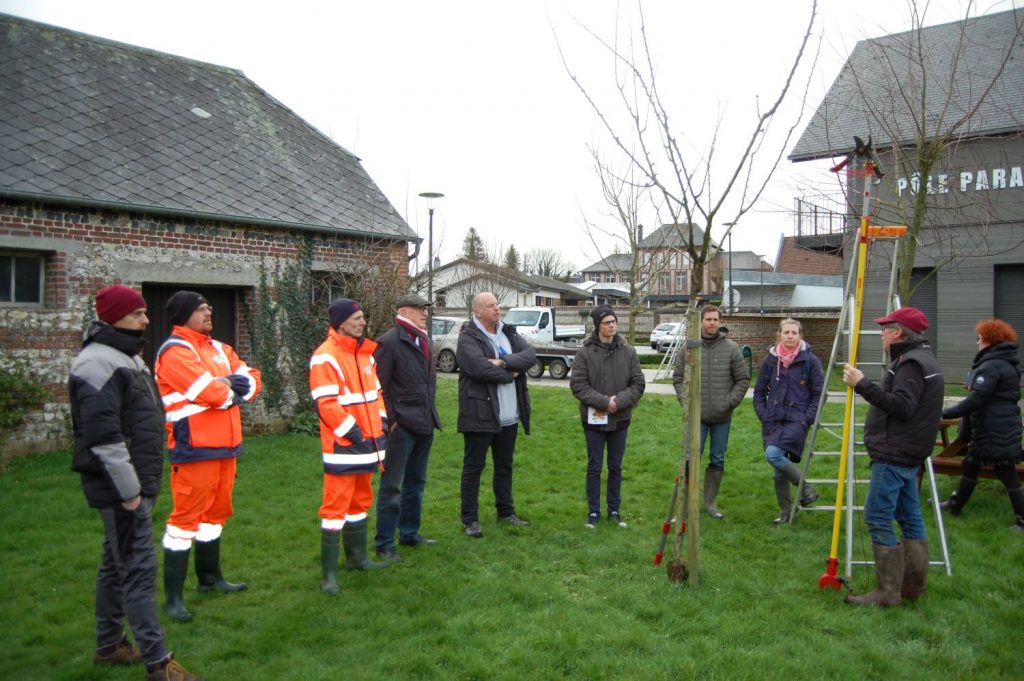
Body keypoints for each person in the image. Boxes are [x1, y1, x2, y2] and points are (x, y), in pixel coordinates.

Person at [69, 285, 201, 681]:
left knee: (115, 565)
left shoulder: (126, 357)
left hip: (134, 485)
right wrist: (130, 493)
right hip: (120, 489)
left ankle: (109, 646)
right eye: (138, 314)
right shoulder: (98, 364)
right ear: (115, 317)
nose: (146, 320)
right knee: (139, 570)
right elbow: (105, 438)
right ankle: (159, 663)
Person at [154, 291, 261, 623]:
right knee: (185, 519)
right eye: (202, 309)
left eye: (209, 307)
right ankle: (173, 598)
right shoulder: (175, 351)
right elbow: (208, 393)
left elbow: (253, 381)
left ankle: (210, 579)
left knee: (216, 514)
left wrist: (225, 387)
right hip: (194, 447)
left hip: (226, 446)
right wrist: (228, 389)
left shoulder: (219, 348)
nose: (209, 312)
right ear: (184, 314)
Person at [842, 307, 944, 607]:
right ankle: (912, 586)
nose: (882, 334)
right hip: (908, 452)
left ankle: (887, 593)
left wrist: (862, 384)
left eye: (885, 328)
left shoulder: (910, 364)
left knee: (877, 515)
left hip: (895, 452)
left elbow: (902, 406)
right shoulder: (921, 359)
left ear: (898, 332)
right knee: (910, 517)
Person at [310, 298, 389, 595]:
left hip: (369, 442)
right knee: (335, 507)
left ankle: (357, 558)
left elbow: (377, 394)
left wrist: (379, 425)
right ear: (341, 322)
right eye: (357, 318)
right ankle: (328, 576)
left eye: (362, 317)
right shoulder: (325, 356)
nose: (363, 322)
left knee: (359, 502)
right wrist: (353, 432)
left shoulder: (365, 354)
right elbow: (326, 403)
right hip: (344, 445)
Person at [456, 291, 536, 538]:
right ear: (477, 311)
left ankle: (506, 512)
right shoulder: (467, 337)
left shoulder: (508, 332)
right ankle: (470, 519)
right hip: (480, 415)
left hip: (509, 416)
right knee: (474, 467)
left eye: (497, 305)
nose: (497, 309)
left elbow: (530, 355)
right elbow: (478, 368)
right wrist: (511, 373)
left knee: (505, 466)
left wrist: (502, 362)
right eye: (490, 306)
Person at [372, 293, 442, 563]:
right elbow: (380, 386)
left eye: (426, 308)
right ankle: (384, 543)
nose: (425, 313)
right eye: (419, 308)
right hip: (401, 427)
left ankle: (410, 533)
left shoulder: (424, 338)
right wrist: (392, 420)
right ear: (403, 311)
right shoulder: (390, 342)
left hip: (425, 421)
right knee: (393, 487)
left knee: (417, 482)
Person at [939, 319, 1024, 531]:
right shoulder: (1004, 363)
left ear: (988, 340)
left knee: (1006, 472)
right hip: (996, 426)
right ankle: (955, 505)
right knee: (971, 464)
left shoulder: (992, 366)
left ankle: (1022, 520)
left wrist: (944, 414)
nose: (977, 342)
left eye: (979, 338)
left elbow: (976, 400)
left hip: (995, 429)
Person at [570, 305, 646, 529]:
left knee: (615, 466)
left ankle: (614, 509)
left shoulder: (628, 351)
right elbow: (578, 385)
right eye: (606, 322)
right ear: (597, 326)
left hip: (620, 419)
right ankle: (593, 511)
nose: (612, 325)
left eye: (614, 321)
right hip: (593, 420)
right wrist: (605, 402)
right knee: (594, 466)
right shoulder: (584, 352)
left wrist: (618, 402)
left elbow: (638, 383)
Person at [672, 305, 750, 519]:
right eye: (708, 319)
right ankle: (685, 505)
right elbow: (678, 379)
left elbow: (743, 379)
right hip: (696, 417)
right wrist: (685, 401)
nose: (712, 323)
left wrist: (729, 402)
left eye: (716, 319)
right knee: (690, 459)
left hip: (721, 417)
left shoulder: (731, 348)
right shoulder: (689, 348)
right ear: (701, 322)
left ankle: (709, 503)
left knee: (717, 460)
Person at [752, 318, 824, 524]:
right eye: (786, 333)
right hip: (773, 419)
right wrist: (763, 414)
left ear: (800, 336)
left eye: (794, 333)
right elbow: (758, 392)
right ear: (779, 335)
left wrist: (807, 418)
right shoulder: (770, 360)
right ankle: (785, 512)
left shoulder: (811, 362)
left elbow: (819, 394)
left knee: (773, 455)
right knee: (778, 468)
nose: (790, 336)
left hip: (797, 419)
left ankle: (805, 487)